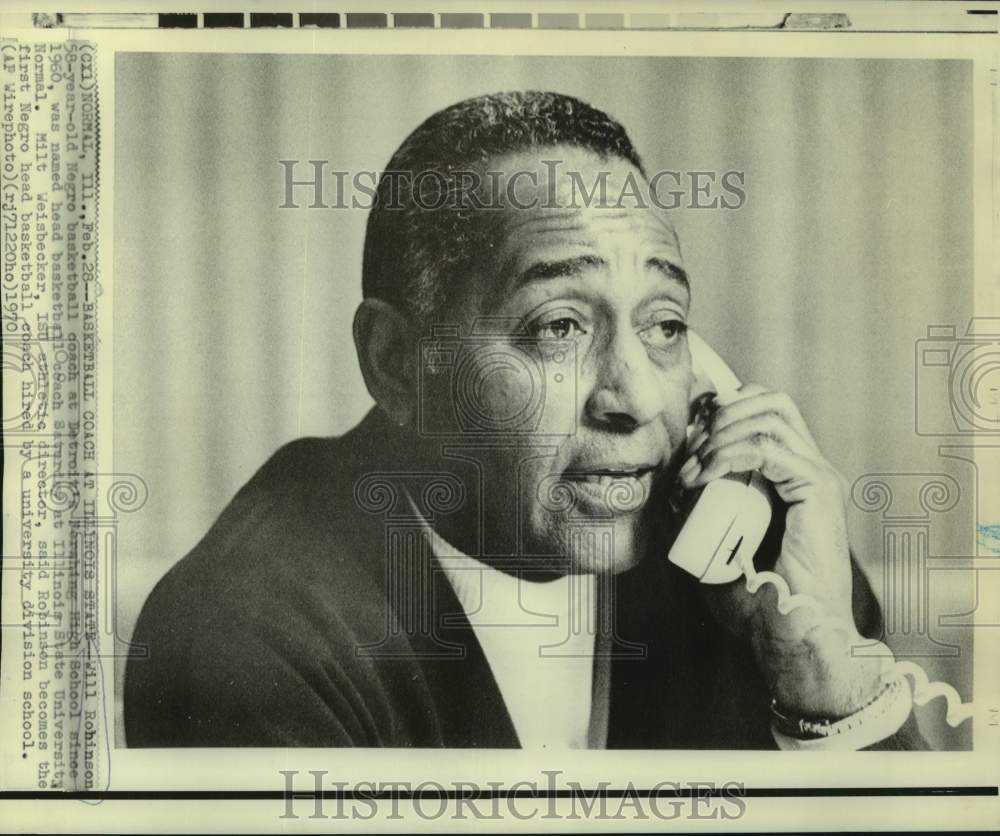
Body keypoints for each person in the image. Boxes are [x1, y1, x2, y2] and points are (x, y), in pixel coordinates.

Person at [125, 91, 926, 749]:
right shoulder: (247, 635)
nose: (638, 402)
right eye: (560, 326)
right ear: (399, 365)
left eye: (666, 325)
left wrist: (832, 687)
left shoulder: (758, 563)